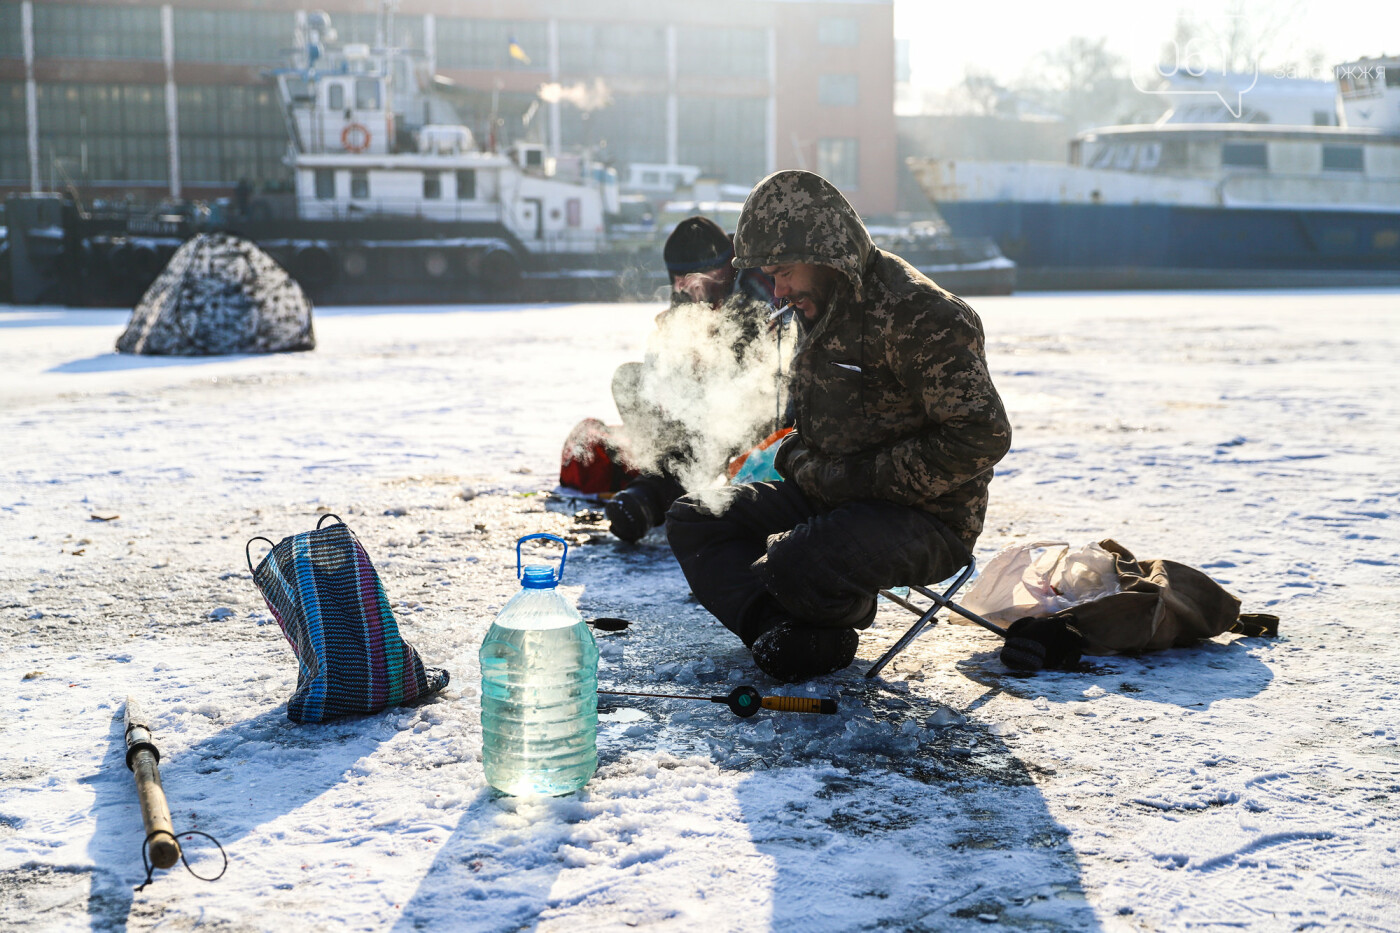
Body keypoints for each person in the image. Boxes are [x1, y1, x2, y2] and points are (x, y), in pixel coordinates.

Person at [664, 171, 1013, 682]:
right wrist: (792, 455)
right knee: (696, 518)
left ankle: (830, 611)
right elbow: (809, 423)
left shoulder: (919, 314)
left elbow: (981, 435)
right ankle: (779, 628)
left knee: (794, 561)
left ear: (824, 253)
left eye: (783, 272)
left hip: (924, 517)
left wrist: (858, 479)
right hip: (828, 496)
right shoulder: (818, 304)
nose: (777, 291)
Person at [605, 216, 779, 543]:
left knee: (721, 416)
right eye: (676, 278)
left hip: (760, 408)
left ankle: (708, 489)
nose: (682, 287)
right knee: (629, 380)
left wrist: (719, 357)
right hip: (699, 411)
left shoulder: (760, 280)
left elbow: (771, 361)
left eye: (691, 277)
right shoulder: (687, 291)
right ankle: (660, 484)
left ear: (726, 266)